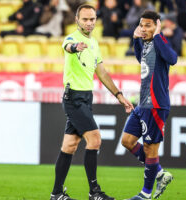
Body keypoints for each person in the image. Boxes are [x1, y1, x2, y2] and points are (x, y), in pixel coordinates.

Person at [50, 4, 134, 200]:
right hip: (74, 98)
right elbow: (67, 47)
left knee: (69, 146)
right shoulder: (72, 38)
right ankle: (94, 192)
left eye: (92, 19)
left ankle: (56, 194)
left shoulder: (94, 43)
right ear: (77, 20)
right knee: (95, 138)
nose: (89, 23)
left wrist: (119, 95)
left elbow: (102, 72)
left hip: (85, 98)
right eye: (85, 19)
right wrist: (74, 47)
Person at [121, 10, 177, 200]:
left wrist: (159, 35)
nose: (144, 29)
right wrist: (136, 39)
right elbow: (141, 60)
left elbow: (173, 59)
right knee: (127, 141)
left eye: (148, 25)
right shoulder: (145, 44)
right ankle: (159, 172)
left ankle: (145, 194)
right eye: (142, 25)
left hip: (156, 103)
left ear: (157, 25)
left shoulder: (160, 42)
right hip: (142, 103)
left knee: (150, 148)